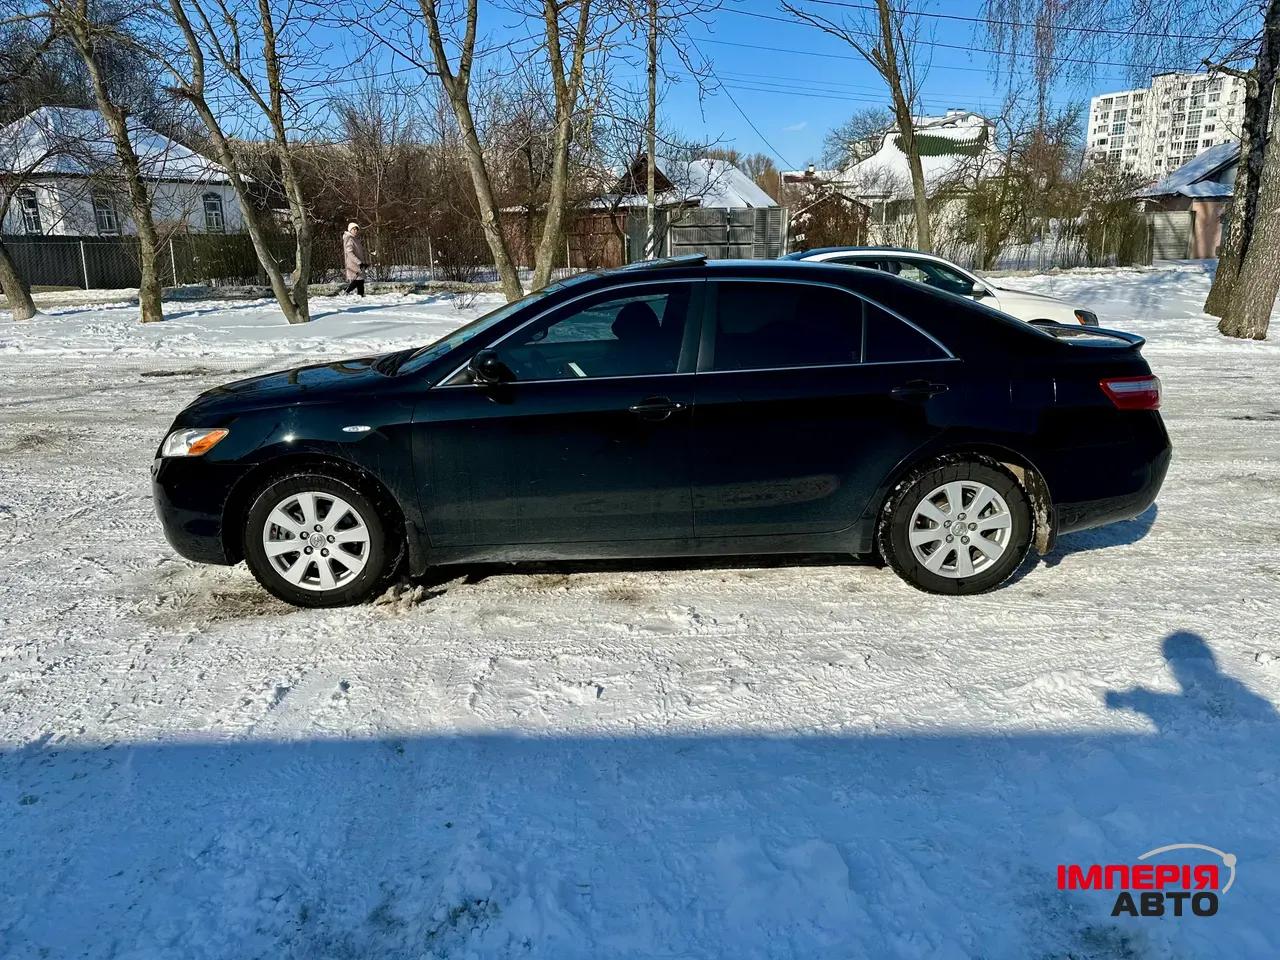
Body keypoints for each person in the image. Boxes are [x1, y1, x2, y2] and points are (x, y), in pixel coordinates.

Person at [342, 222, 368, 297]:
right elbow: (349, 252)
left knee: (360, 280)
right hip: (354, 264)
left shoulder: (354, 238)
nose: (355, 231)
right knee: (357, 280)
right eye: (354, 229)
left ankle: (361, 295)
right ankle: (345, 291)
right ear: (350, 230)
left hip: (357, 263)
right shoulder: (349, 239)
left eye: (356, 229)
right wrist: (358, 262)